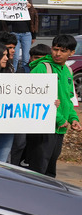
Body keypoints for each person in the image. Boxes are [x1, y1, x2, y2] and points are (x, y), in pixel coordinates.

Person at [23, 34, 81, 177]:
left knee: (49, 171)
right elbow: (36, 99)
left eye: (63, 51)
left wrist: (74, 119)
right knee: (38, 170)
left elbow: (68, 98)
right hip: (43, 127)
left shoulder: (67, 70)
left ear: (71, 52)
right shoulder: (42, 68)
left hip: (59, 129)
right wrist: (60, 119)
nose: (58, 54)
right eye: (55, 49)